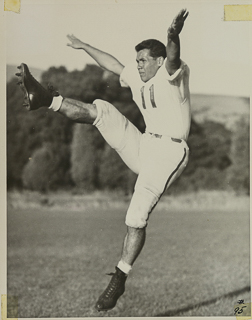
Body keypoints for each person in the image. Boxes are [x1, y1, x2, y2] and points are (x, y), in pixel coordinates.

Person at [16, 9, 191, 312]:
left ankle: (119, 278)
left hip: (171, 153)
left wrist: (173, 35)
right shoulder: (137, 79)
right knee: (104, 111)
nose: (138, 66)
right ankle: (47, 99)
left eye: (143, 60)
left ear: (158, 61)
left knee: (135, 217)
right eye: (136, 60)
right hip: (145, 145)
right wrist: (84, 45)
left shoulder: (171, 74)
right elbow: (113, 65)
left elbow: (174, 55)